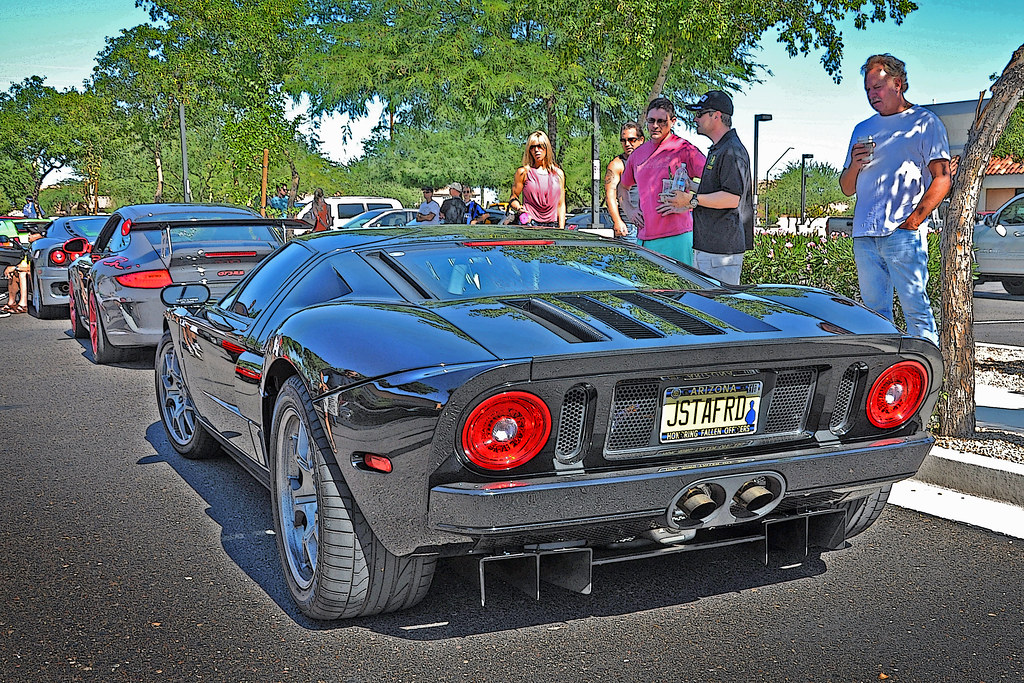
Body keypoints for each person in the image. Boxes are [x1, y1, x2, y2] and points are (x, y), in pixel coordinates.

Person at [839, 53, 951, 346]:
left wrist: (913, 222)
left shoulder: (924, 122)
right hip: (864, 235)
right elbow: (846, 188)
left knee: (916, 313)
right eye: (867, 90)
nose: (872, 95)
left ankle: (930, 384)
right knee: (875, 316)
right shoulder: (862, 129)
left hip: (902, 234)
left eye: (877, 87)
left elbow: (942, 178)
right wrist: (854, 165)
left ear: (898, 83)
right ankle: (886, 384)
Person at [659, 90, 753, 285]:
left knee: (719, 310)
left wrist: (692, 200)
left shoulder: (732, 151)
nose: (695, 118)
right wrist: (691, 185)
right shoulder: (719, 148)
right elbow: (718, 189)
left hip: (721, 252)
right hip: (710, 249)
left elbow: (732, 198)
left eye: (700, 113)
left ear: (716, 116)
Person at [621, 97, 706, 264]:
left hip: (678, 237)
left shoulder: (684, 149)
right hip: (645, 238)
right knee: (647, 289)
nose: (655, 126)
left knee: (680, 289)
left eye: (661, 121)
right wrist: (629, 210)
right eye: (651, 120)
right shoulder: (638, 154)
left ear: (673, 121)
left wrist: (689, 203)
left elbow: (714, 183)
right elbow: (623, 187)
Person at [509, 131, 566, 229]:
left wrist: (561, 229)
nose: (536, 150)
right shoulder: (524, 172)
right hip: (530, 225)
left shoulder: (558, 174)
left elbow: (561, 204)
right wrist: (520, 209)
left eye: (540, 146)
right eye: (532, 147)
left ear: (546, 148)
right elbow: (513, 198)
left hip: (553, 226)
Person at [605, 122, 645, 243]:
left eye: (632, 140)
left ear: (641, 140)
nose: (627, 144)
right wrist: (617, 221)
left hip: (650, 225)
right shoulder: (617, 164)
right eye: (623, 140)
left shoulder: (649, 160)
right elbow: (610, 196)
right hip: (629, 226)